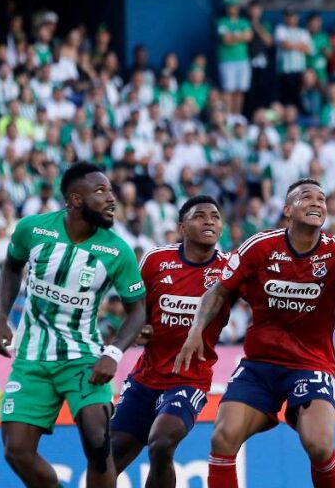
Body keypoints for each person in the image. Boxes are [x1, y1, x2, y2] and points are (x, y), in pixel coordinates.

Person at [177, 178, 335, 488]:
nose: (316, 203)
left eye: (321, 199)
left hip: (311, 364)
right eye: (306, 197)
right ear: (287, 210)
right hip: (259, 366)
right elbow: (218, 291)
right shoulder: (260, 246)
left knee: (319, 445)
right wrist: (195, 331)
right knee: (222, 438)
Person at [0, 162, 147, 488]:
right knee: (16, 451)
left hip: (85, 358)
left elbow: (138, 311)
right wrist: (0, 319)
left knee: (98, 441)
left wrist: (113, 353)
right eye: (100, 191)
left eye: (111, 191)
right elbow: (11, 268)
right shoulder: (32, 229)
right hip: (32, 356)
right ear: (75, 200)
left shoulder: (117, 250)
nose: (111, 199)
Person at [111, 195, 232, 488]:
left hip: (189, 379)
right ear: (182, 227)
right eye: (200, 216)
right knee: (107, 459)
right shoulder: (156, 260)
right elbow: (137, 310)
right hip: (146, 377)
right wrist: (141, 328)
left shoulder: (230, 268)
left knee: (161, 443)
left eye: (215, 217)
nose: (209, 221)